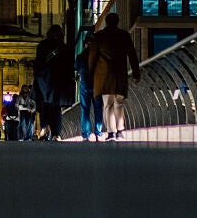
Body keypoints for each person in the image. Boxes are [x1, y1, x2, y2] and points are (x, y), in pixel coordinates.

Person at [87, 12, 141, 140]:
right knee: (119, 102)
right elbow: (132, 55)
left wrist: (91, 75)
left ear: (106, 22)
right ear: (117, 22)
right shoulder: (124, 35)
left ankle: (111, 132)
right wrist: (136, 73)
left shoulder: (99, 36)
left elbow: (92, 57)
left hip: (104, 76)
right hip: (120, 74)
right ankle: (120, 130)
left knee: (108, 104)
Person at [34, 24, 74, 141]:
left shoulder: (42, 45)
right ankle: (56, 133)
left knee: (44, 105)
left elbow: (38, 63)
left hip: (44, 81)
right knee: (56, 108)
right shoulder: (64, 48)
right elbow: (69, 66)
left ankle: (43, 128)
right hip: (58, 82)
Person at [75, 35, 105, 141]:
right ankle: (98, 132)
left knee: (85, 110)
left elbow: (76, 68)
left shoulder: (80, 56)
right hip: (97, 85)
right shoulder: (99, 55)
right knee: (98, 109)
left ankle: (86, 135)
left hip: (85, 85)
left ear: (85, 44)